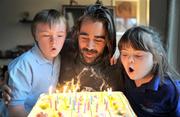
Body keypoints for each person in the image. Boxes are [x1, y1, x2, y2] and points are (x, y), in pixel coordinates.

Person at [5, 9, 67, 117]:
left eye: (60, 35)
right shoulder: (23, 65)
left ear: (66, 36)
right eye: (46, 35)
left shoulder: (59, 58)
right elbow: (15, 111)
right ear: (36, 36)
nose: (54, 41)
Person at [58, 4, 123, 92]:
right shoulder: (62, 49)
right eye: (84, 38)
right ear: (77, 34)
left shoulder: (116, 66)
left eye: (98, 40)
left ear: (108, 41)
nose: (89, 46)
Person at [118, 26, 180, 116]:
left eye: (138, 55)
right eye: (124, 54)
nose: (129, 60)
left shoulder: (171, 90)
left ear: (156, 58)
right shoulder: (123, 74)